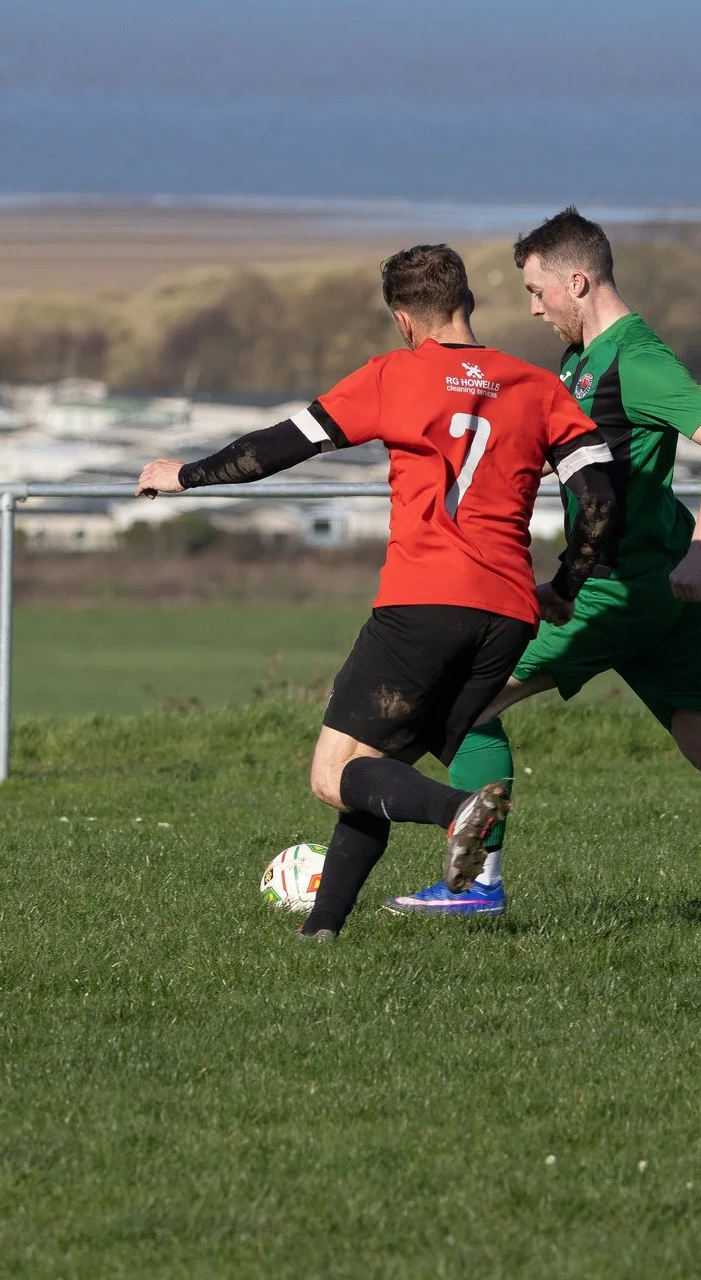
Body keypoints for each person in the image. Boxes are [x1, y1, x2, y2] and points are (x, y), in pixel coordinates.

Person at [385, 208, 701, 921]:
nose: (532, 309)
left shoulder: (637, 359)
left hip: (622, 589)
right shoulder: (579, 361)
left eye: (538, 292)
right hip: (658, 594)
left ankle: (477, 888)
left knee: (463, 707)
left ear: (578, 280)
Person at [137, 243, 623, 942]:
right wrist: (568, 585)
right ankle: (323, 930)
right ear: (469, 303)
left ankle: (458, 811)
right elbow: (601, 498)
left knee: (335, 774)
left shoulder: (394, 375)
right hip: (509, 613)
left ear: (403, 320)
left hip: (423, 606)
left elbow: (278, 447)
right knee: (379, 771)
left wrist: (186, 475)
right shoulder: (537, 386)